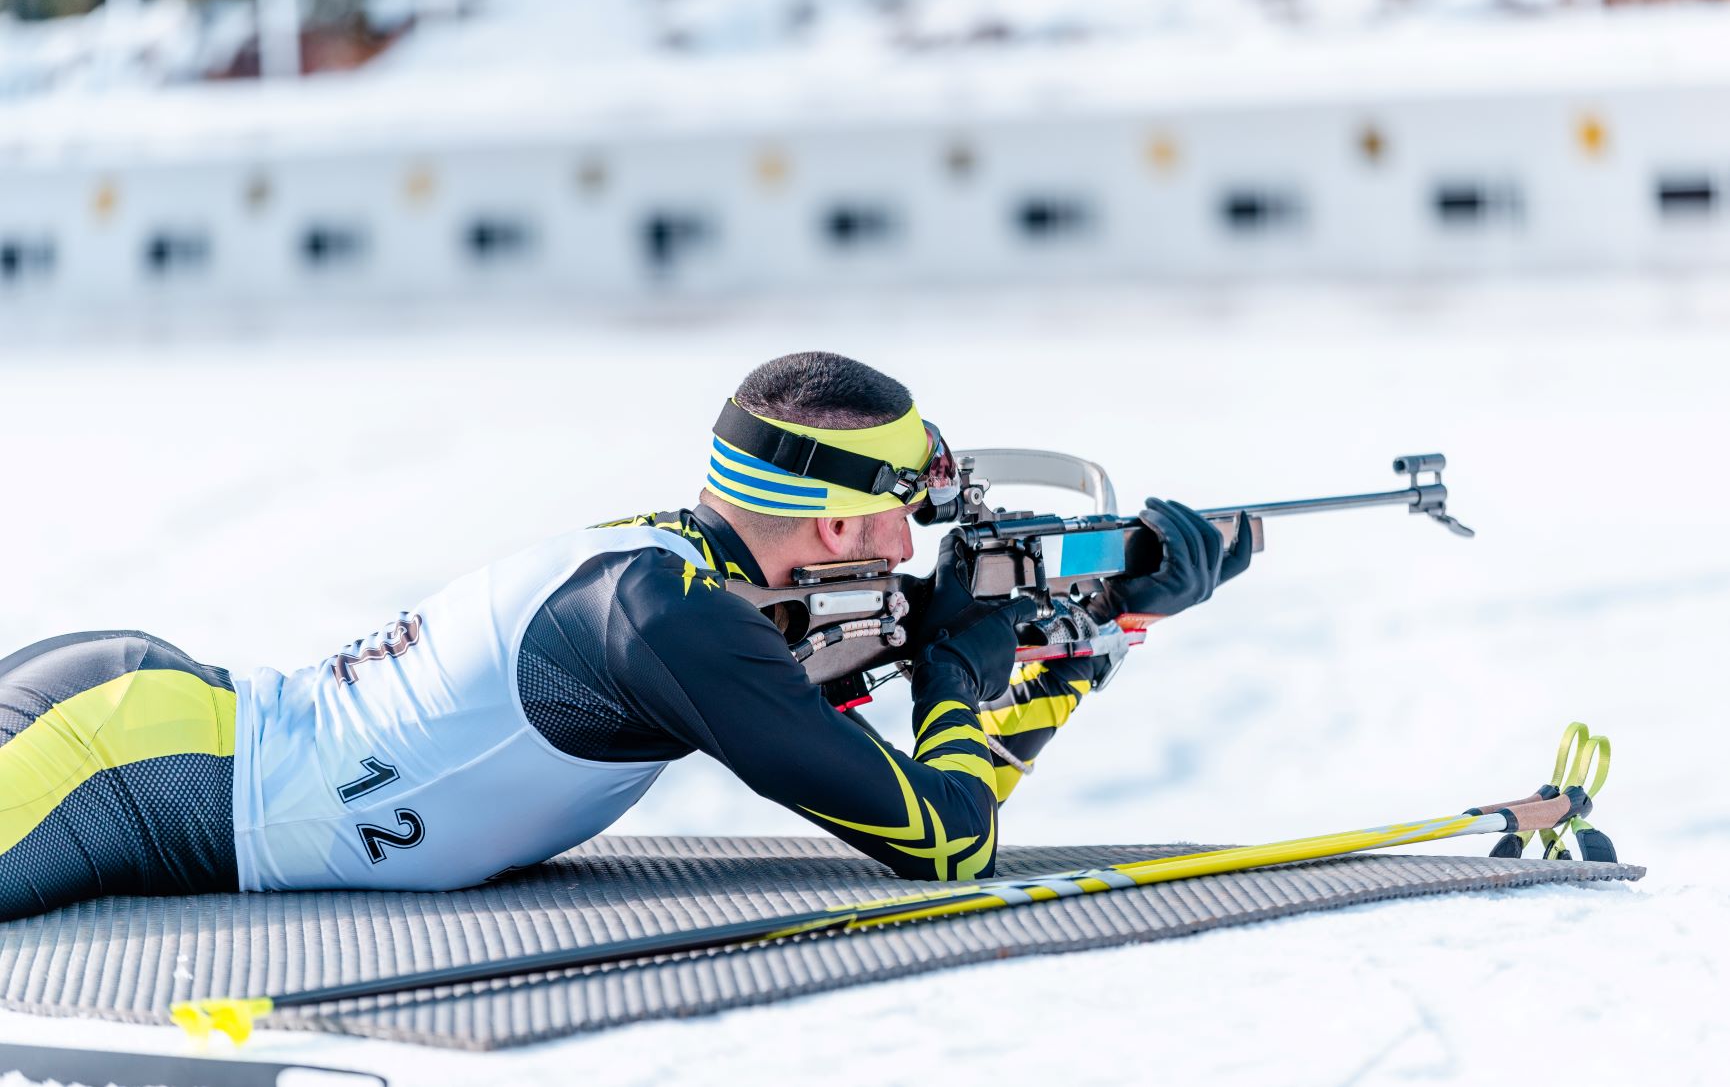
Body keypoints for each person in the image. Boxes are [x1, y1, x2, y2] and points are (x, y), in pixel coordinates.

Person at [0, 352, 1248, 921]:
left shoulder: (707, 586)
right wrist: (969, 663)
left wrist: (1090, 633)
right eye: (898, 516)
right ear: (828, 522)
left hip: (151, 746)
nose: (911, 548)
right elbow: (945, 840)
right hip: (127, 767)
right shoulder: (671, 620)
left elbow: (933, 784)